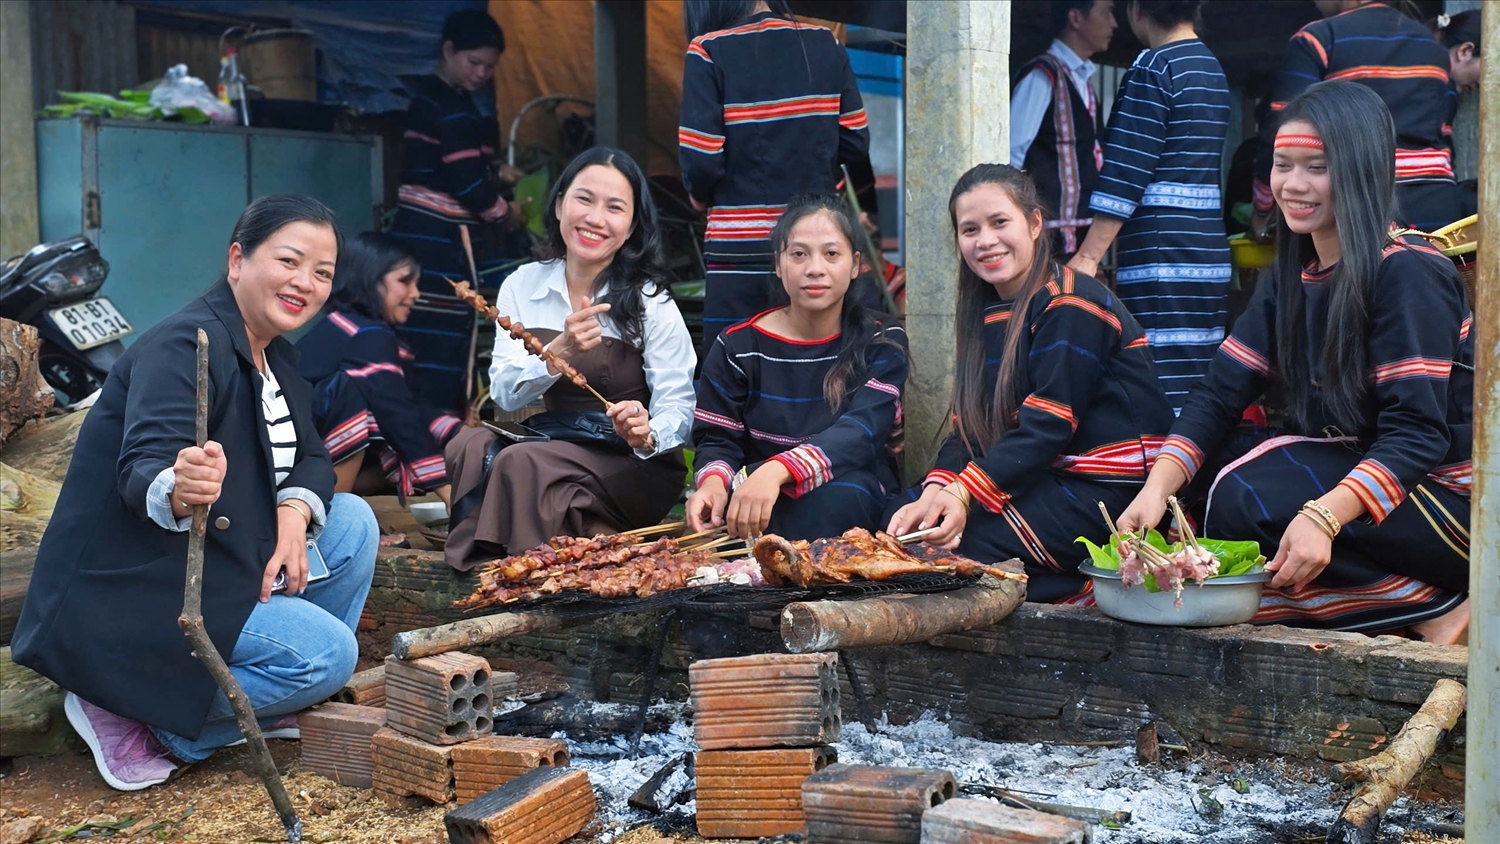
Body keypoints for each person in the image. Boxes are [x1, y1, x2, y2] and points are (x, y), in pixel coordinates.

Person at [12, 195, 379, 791]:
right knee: (329, 656)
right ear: (237, 260)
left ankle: (266, 698)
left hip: (223, 561)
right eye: (289, 261)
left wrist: (293, 510)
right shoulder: (185, 344)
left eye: (322, 272)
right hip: (144, 584)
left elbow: (313, 457)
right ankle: (141, 711)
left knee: (354, 521)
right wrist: (180, 487)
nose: (305, 283)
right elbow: (143, 466)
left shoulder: (277, 357)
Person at [1116, 82, 1473, 643]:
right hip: (1379, 479)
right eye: (1283, 165)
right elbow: (1219, 394)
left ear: (1360, 171)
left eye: (1317, 168)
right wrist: (1156, 490)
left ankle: (1433, 605)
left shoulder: (1409, 271)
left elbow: (1416, 436)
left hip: (1456, 506)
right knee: (1193, 487)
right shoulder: (1293, 272)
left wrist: (1323, 516)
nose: (1293, 185)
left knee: (1246, 494)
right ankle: (1405, 602)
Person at [887, 164, 1174, 602]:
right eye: (970, 229)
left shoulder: (1072, 301)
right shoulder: (989, 308)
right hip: (1040, 475)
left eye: (1000, 222)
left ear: (1035, 223)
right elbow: (972, 429)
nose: (986, 240)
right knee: (898, 522)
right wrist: (936, 490)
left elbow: (1047, 427)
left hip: (1110, 493)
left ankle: (1084, 588)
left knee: (944, 549)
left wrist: (964, 492)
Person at [443, 148, 696, 569]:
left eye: (614, 208)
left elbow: (680, 406)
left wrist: (646, 431)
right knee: (469, 444)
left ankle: (529, 572)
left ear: (632, 227)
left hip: (629, 462)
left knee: (522, 462)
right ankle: (497, 558)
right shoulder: (522, 285)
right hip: (558, 440)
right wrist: (558, 351)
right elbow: (504, 395)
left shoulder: (650, 302)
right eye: (584, 199)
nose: (595, 218)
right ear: (560, 204)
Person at [687, 195, 908, 541]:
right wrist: (713, 484)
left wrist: (778, 470)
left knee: (840, 497)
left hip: (848, 493)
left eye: (831, 254)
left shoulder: (882, 340)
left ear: (856, 265)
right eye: (799, 254)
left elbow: (862, 431)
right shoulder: (737, 346)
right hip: (758, 495)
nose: (814, 268)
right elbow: (717, 438)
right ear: (778, 264)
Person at [1067, 0, 1232, 414]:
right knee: (1196, 373)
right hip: (1207, 249)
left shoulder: (1154, 66)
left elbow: (1126, 168)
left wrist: (1088, 257)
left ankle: (1163, 456)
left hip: (1162, 251)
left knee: (1157, 375)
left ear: (1138, 9)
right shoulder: (1212, 67)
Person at [678, 0, 872, 353]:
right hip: (815, 248)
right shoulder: (825, 42)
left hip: (741, 250)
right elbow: (855, 143)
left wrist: (698, 195)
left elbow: (702, 161)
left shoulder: (707, 50)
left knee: (735, 362)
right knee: (819, 362)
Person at [391, 9, 524, 414]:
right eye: (474, 62)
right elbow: (467, 184)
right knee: (439, 333)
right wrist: (505, 213)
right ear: (448, 50)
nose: (482, 73)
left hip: (420, 237)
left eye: (490, 67)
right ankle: (437, 425)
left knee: (420, 332)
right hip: (439, 242)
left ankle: (423, 424)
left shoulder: (438, 99)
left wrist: (494, 171)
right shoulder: (449, 107)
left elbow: (455, 164)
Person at [1249, 1, 1461, 236]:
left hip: (1358, 202)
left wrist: (1262, 208)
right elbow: (1445, 130)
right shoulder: (1433, 46)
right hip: (1435, 203)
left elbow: (1284, 130)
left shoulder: (1320, 38)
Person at [296, 232, 463, 506]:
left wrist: (456, 431)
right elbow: (398, 413)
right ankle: (334, 508)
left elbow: (409, 401)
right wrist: (448, 492)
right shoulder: (367, 335)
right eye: (404, 281)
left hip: (298, 450)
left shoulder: (344, 325)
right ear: (370, 279)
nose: (415, 293)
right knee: (358, 395)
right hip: (296, 453)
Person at [1010, 0, 1117, 257]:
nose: (1114, 23)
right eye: (1106, 12)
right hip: (1050, 236)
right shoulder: (1041, 76)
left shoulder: (1082, 80)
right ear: (1076, 18)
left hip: (1080, 232)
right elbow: (1012, 152)